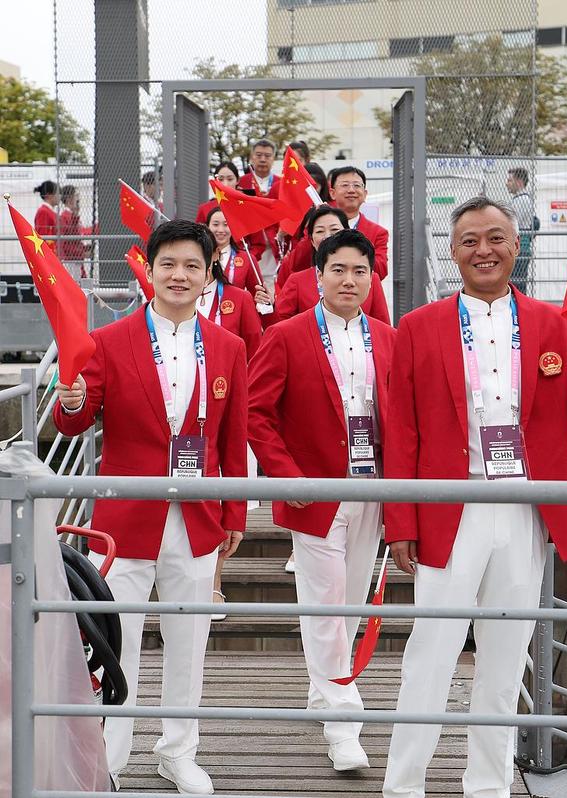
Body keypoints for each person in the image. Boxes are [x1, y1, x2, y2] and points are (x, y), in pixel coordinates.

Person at [381, 196, 567, 798]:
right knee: (430, 652)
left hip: (525, 506)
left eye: (496, 238)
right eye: (470, 240)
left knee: (505, 658)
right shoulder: (418, 327)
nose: (484, 250)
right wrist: (401, 523)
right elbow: (401, 430)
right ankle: (404, 784)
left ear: (516, 246)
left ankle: (489, 785)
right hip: (449, 508)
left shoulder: (554, 323)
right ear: (453, 251)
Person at [53, 219, 248, 795]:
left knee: (190, 640)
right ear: (150, 268)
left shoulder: (229, 347)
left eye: (192, 265)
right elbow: (73, 422)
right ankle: (109, 757)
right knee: (117, 640)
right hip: (126, 517)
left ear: (208, 275)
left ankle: (178, 752)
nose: (179, 275)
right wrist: (71, 401)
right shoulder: (110, 340)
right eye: (169, 264)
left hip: (197, 517)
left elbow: (233, 440)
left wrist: (234, 513)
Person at [248, 228, 397, 771]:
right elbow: (255, 413)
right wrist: (290, 477)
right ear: (318, 276)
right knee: (327, 605)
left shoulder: (390, 338)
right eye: (338, 270)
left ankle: (324, 690)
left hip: (372, 488)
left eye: (360, 271)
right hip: (313, 494)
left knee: (348, 602)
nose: (349, 280)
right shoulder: (286, 336)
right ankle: (343, 723)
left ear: (372, 278)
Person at [197, 218, 262, 619]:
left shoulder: (237, 298)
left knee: (221, 498)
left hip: (224, 410)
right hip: (182, 418)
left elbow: (256, 349)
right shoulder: (166, 301)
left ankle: (214, 585)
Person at [258, 205, 391, 327]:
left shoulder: (370, 278)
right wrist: (269, 307)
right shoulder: (297, 281)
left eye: (334, 229)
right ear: (311, 240)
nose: (327, 236)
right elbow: (279, 327)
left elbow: (383, 327)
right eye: (320, 231)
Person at [237, 139, 282, 293]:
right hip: (250, 243)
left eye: (267, 156)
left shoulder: (280, 184)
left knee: (271, 287)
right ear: (252, 157)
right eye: (259, 155)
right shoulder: (241, 182)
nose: (263, 159)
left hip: (273, 243)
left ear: (273, 159)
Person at [328, 166, 389, 280]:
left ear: (365, 194)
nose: (351, 190)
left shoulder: (378, 232)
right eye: (345, 185)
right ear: (332, 193)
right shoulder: (320, 226)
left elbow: (381, 270)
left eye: (357, 185)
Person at [205, 206, 264, 296]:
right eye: (215, 224)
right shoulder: (199, 255)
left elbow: (256, 294)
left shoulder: (247, 259)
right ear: (208, 226)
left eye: (226, 224)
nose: (220, 230)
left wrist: (261, 298)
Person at [505, 167, 537, 295]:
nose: (507, 183)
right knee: (516, 283)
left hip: (519, 248)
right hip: (519, 247)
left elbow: (511, 223)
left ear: (519, 182)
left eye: (510, 180)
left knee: (516, 284)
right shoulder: (520, 199)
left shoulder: (522, 200)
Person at [59, 185, 87, 278]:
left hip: (75, 257)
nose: (77, 199)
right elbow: (69, 239)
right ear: (69, 199)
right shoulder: (65, 216)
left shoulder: (72, 215)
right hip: (71, 259)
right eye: (76, 196)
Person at [33, 181, 59, 248]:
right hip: (49, 250)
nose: (59, 196)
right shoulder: (43, 211)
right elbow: (41, 235)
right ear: (49, 195)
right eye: (57, 193)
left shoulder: (50, 211)